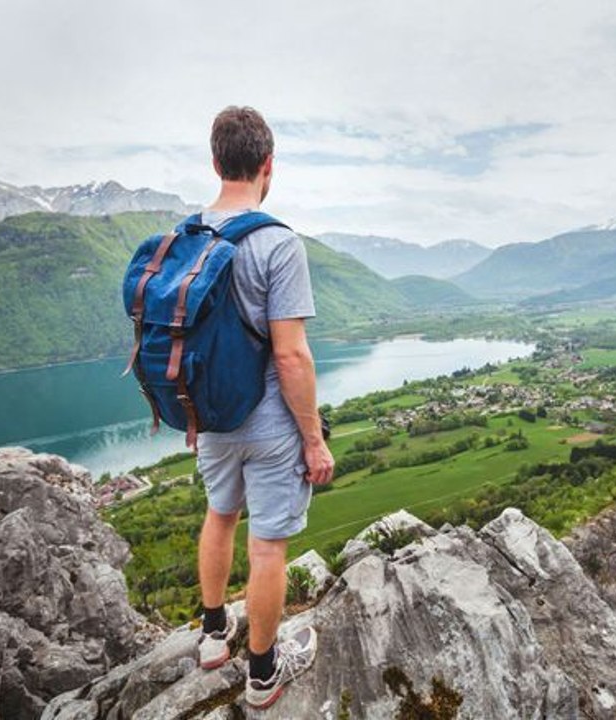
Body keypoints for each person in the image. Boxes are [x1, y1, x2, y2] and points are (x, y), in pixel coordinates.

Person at [193, 106, 335, 710]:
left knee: (220, 514)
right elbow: (292, 357)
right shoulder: (277, 243)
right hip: (271, 423)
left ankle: (211, 633)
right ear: (268, 165)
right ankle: (262, 672)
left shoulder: (186, 238)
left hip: (211, 418)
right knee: (268, 546)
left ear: (216, 161)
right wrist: (313, 438)